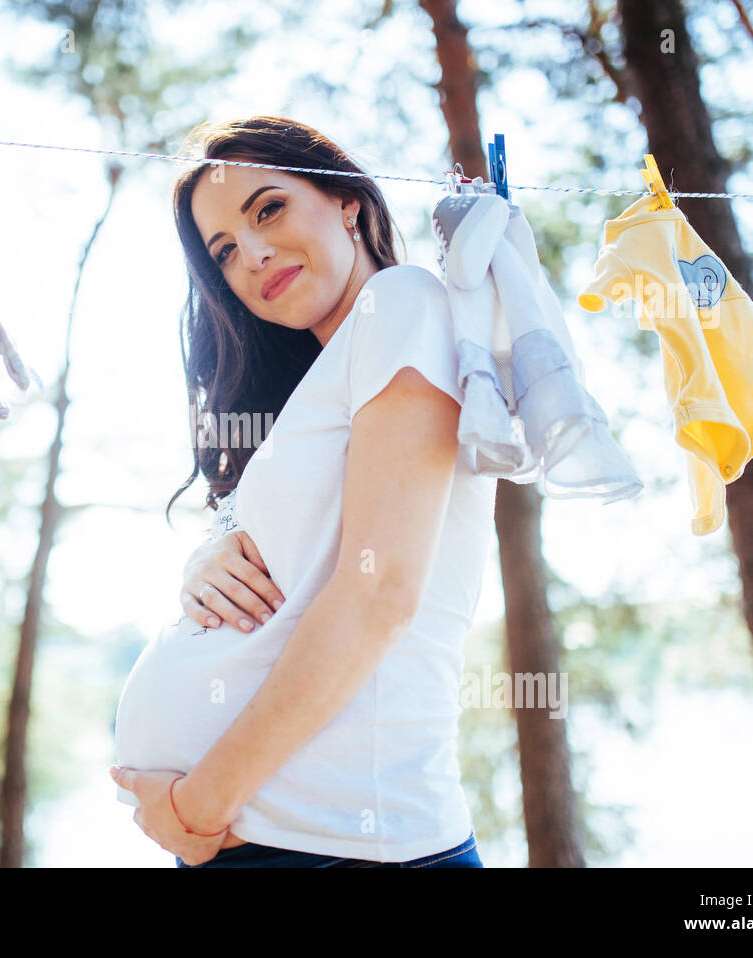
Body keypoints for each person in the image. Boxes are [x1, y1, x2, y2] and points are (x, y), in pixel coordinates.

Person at [109, 116, 495, 868]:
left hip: (338, 844)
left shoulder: (402, 304)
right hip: (286, 842)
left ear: (344, 201)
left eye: (268, 209)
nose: (250, 254)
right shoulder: (331, 377)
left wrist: (201, 803)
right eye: (223, 251)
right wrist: (210, 555)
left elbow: (379, 594)